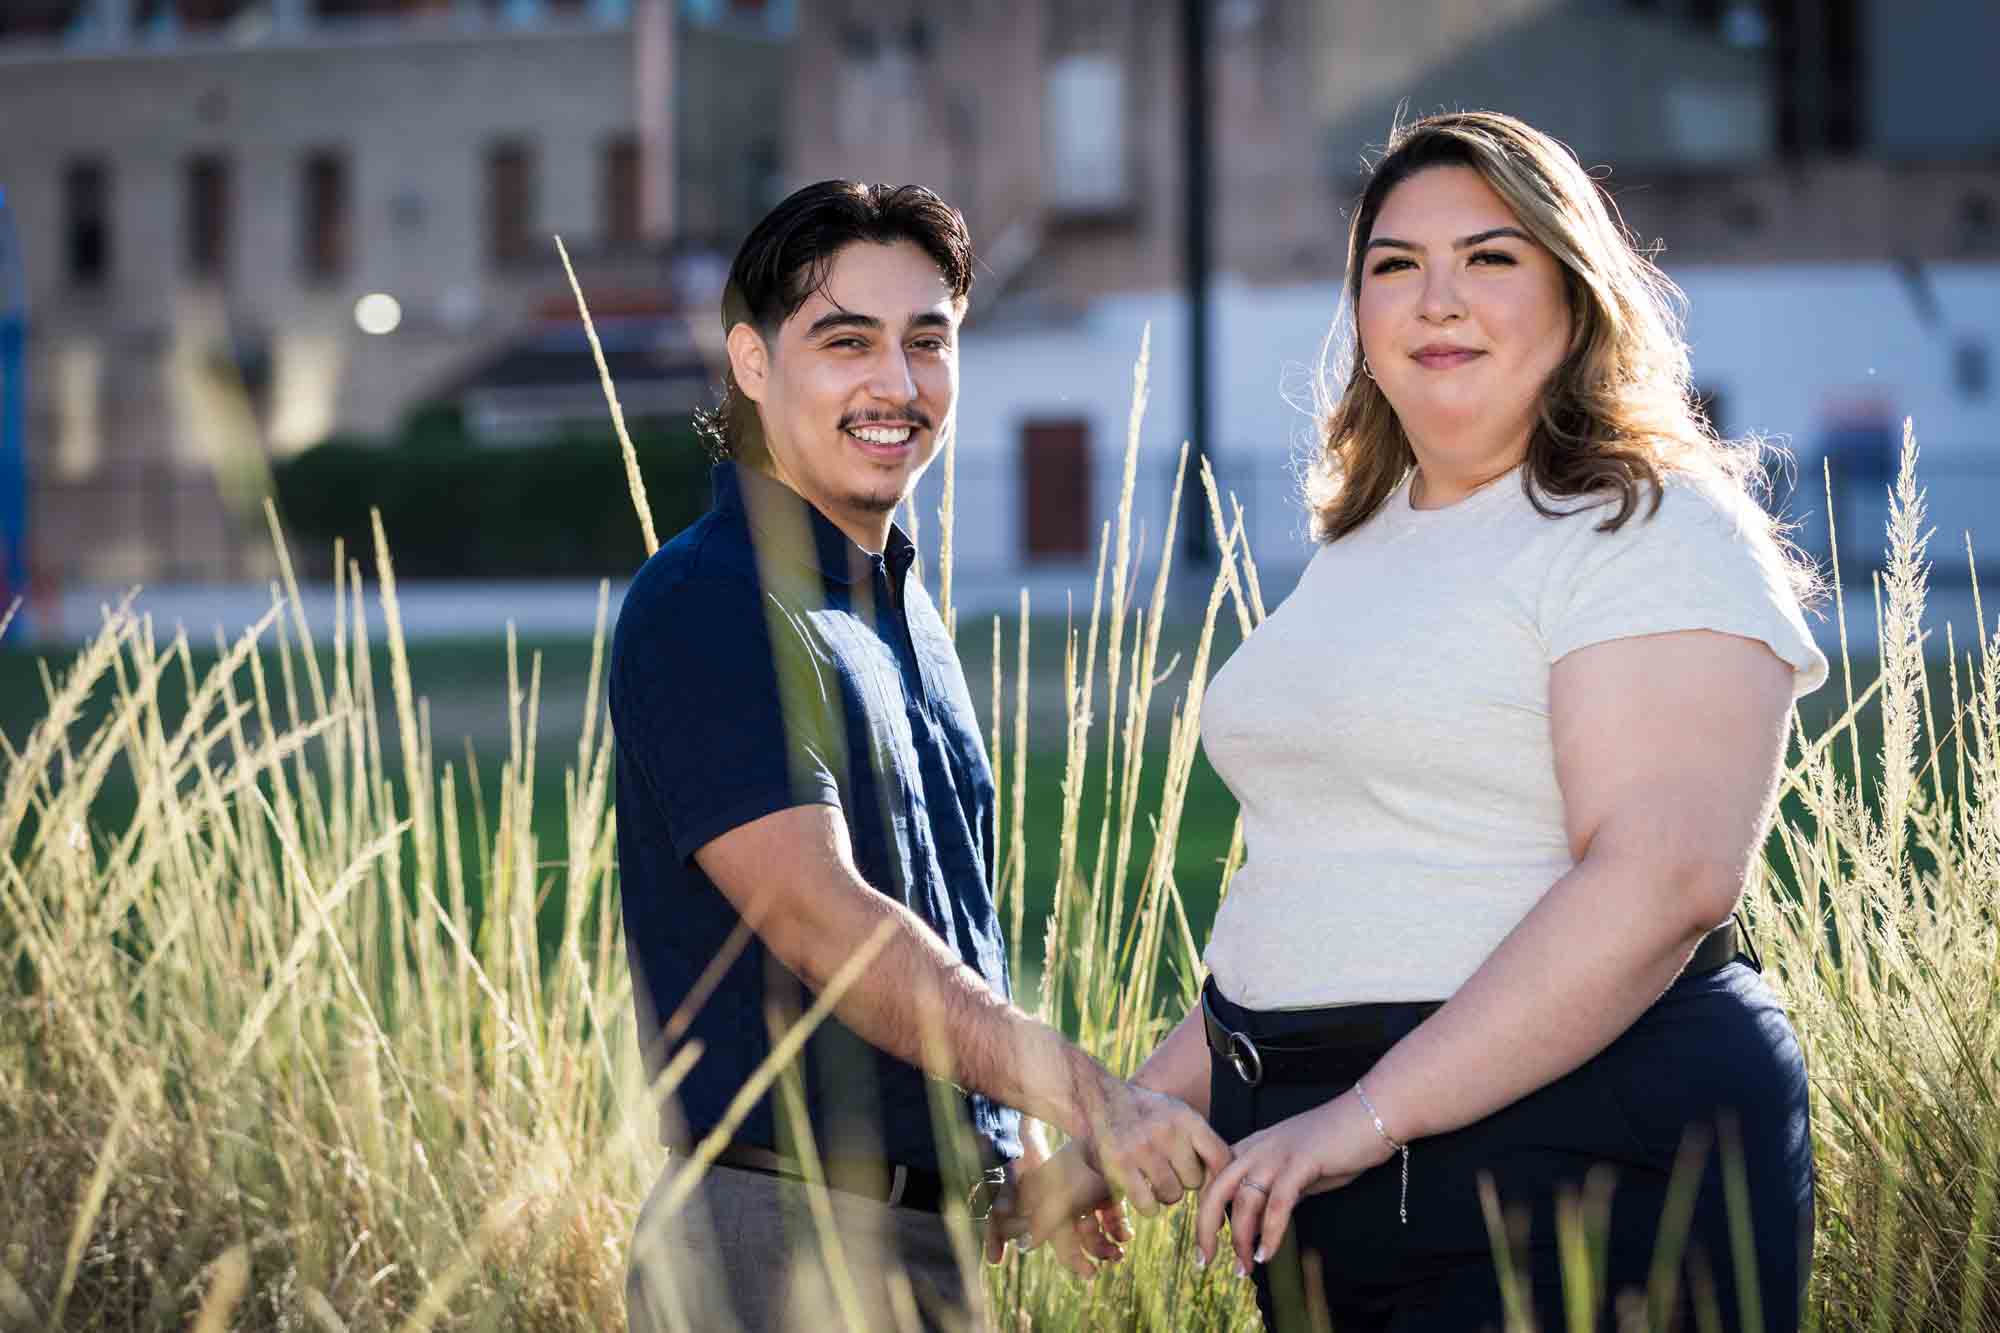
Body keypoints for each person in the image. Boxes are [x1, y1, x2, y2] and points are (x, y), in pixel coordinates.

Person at [1017, 111, 1826, 1331]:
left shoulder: (1651, 526)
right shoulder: (1365, 539)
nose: (1436, 300)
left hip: (1578, 1156)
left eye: (1489, 259)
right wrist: (1130, 1117)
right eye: (1395, 266)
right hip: (1329, 1175)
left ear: (1575, 291)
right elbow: (1311, 898)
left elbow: (1666, 878)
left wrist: (1363, 1117)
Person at [613, 180, 1227, 1333]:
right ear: (751, 362)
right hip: (781, 1241)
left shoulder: (901, 610)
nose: (895, 386)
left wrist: (1010, 1126)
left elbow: (936, 908)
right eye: (845, 342)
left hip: (930, 1240)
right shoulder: (709, 599)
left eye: (926, 343)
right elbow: (823, 923)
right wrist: (1093, 1094)